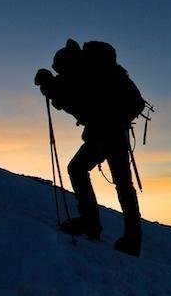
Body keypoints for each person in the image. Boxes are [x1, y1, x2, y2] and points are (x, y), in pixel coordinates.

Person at [34, 39, 146, 256]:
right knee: (122, 184)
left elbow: (67, 96)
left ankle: (91, 223)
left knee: (79, 169)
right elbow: (71, 97)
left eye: (60, 69)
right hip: (115, 132)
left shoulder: (80, 73)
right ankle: (131, 239)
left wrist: (48, 85)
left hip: (105, 133)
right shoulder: (91, 70)